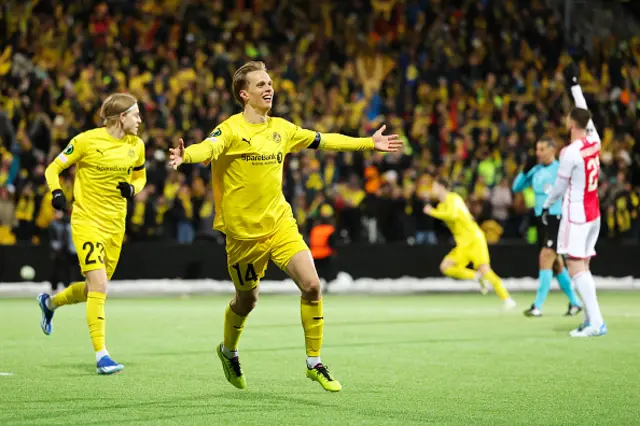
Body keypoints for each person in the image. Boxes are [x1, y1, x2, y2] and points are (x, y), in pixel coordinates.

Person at [168, 61, 402, 392]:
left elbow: (324, 140)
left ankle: (314, 362)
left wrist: (367, 143)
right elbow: (208, 147)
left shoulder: (283, 128)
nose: (269, 88)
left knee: (312, 286)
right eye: (261, 84)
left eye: (270, 83)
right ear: (244, 93)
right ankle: (228, 350)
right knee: (246, 301)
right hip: (243, 238)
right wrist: (185, 156)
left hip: (280, 225)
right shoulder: (231, 130)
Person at [37, 93, 146, 373]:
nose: (140, 120)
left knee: (93, 289)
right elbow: (54, 168)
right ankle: (102, 356)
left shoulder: (137, 145)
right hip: (87, 221)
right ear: (122, 117)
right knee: (99, 287)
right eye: (135, 114)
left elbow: (140, 175)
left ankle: (50, 303)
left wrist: (134, 188)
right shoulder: (86, 140)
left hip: (115, 226)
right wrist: (57, 191)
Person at [542, 68, 606, 338]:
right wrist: (575, 87)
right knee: (584, 266)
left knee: (574, 265)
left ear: (570, 123)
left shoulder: (569, 152)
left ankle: (596, 323)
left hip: (576, 215)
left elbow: (559, 187)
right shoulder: (595, 140)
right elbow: (585, 111)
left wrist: (547, 204)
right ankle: (591, 319)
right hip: (594, 213)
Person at [512, 138, 583, 317]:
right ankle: (575, 303)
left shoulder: (560, 170)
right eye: (537, 149)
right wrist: (524, 170)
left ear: (553, 150)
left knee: (545, 257)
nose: (538, 153)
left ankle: (537, 306)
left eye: (542, 149)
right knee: (556, 265)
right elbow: (516, 187)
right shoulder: (535, 170)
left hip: (556, 219)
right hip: (541, 220)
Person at [424, 178, 516, 309]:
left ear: (442, 187)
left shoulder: (453, 198)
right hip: (462, 243)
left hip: (474, 238)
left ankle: (507, 299)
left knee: (485, 269)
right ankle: (477, 276)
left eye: (434, 186)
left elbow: (452, 215)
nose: (432, 190)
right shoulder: (441, 206)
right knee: (445, 267)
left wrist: (431, 212)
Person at [48, 209, 79, 293]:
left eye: (58, 212)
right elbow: (52, 239)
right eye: (55, 212)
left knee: (70, 269)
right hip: (58, 251)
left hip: (69, 250)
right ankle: (54, 288)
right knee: (56, 270)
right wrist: (57, 248)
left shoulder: (68, 222)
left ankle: (69, 286)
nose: (57, 214)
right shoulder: (53, 224)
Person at [310, 204, 338, 292]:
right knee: (326, 271)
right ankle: (326, 284)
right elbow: (332, 242)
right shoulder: (330, 229)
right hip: (325, 253)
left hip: (314, 253)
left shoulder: (315, 229)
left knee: (316, 272)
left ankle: (315, 285)